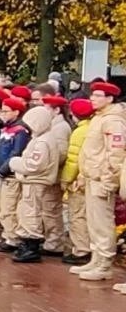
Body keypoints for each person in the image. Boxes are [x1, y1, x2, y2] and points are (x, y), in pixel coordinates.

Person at [72, 81, 125, 281]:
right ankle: (96, 258)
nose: (92, 99)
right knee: (93, 222)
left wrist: (109, 180)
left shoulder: (113, 121)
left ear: (110, 98)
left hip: (102, 179)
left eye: (98, 95)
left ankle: (104, 263)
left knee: (102, 222)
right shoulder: (99, 118)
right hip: (92, 176)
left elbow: (116, 154)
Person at [8, 106, 59, 263]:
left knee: (31, 213)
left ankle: (31, 245)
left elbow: (34, 165)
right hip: (34, 181)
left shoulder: (43, 142)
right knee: (28, 211)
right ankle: (29, 243)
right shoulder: (42, 138)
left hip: (36, 181)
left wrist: (15, 163)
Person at [0, 98, 30, 253]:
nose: (3, 114)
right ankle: (6, 234)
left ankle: (12, 238)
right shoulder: (6, 129)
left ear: (16, 112)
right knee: (1, 207)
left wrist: (4, 169)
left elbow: (16, 153)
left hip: (10, 174)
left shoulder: (20, 131)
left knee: (9, 207)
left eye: (6, 111)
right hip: (1, 171)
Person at [60, 98, 95, 266]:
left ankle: (81, 250)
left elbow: (73, 160)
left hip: (78, 181)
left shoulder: (79, 132)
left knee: (77, 216)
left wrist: (66, 179)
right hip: (90, 178)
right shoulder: (94, 127)